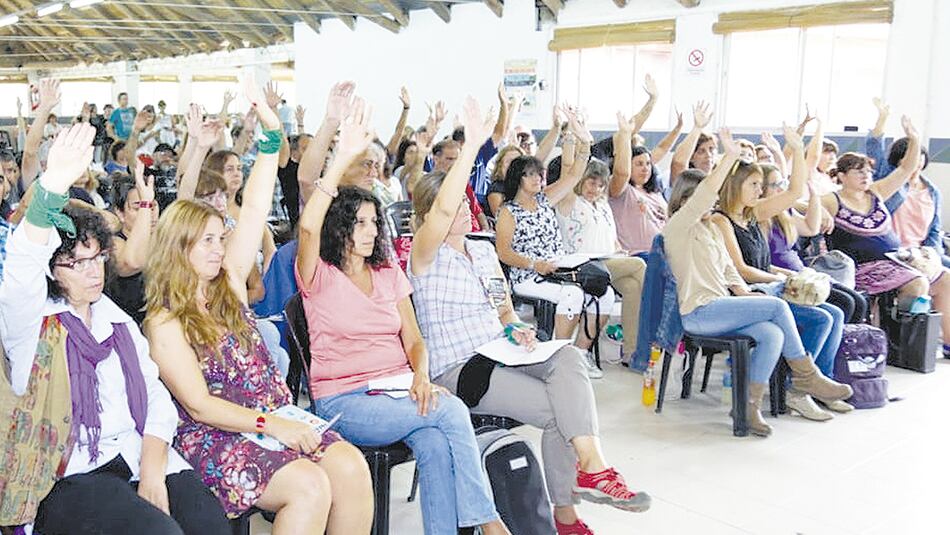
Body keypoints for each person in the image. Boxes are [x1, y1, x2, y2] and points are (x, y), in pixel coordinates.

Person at [408, 96, 651, 535]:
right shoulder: (423, 258)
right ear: (427, 217)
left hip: (502, 352)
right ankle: (566, 515)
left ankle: (592, 467)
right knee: (563, 410)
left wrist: (516, 327)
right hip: (461, 368)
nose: (465, 209)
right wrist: (474, 143)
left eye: (466, 204)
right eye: (455, 206)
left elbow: (502, 305)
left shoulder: (481, 250)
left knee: (569, 360)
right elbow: (443, 208)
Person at [144, 77, 374, 533]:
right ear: (178, 248)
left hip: (272, 417)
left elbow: (253, 209)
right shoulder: (165, 321)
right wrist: (272, 426)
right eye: (206, 241)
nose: (218, 247)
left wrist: (271, 138)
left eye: (219, 238)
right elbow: (201, 407)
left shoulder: (224, 282)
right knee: (309, 485)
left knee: (350, 466)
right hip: (216, 434)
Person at [297, 91, 511, 535]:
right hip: (346, 400)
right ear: (339, 226)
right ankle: (490, 524)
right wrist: (343, 157)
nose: (371, 231)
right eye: (360, 222)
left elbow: (414, 339)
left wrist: (420, 374)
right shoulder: (318, 274)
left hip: (396, 390)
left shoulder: (387, 270)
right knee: (450, 413)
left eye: (376, 222)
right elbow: (306, 224)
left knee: (434, 442)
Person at [0, 123, 230, 534]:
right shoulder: (31, 322)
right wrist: (51, 184)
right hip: (70, 474)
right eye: (78, 263)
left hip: (136, 453)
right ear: (52, 272)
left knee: (208, 523)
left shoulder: (115, 319)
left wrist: (154, 468)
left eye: (98, 258)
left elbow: (157, 396)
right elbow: (21, 263)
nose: (94, 272)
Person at [663, 127, 852, 437]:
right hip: (699, 311)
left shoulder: (710, 230)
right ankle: (805, 374)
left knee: (772, 333)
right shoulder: (678, 227)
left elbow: (731, 274)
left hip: (721, 306)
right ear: (686, 200)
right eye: (702, 201)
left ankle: (747, 408)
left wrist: (747, 293)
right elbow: (708, 192)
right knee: (777, 308)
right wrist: (730, 157)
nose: (709, 205)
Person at [710, 124, 848, 420]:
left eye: (762, 186)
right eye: (754, 186)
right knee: (821, 319)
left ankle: (813, 387)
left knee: (835, 313)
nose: (760, 192)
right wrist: (782, 277)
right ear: (736, 186)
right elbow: (741, 271)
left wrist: (798, 150)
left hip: (769, 288)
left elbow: (794, 190)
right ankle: (795, 390)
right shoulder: (721, 221)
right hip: (746, 296)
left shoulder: (752, 214)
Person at [495, 110, 616, 378]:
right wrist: (534, 264)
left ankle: (580, 354)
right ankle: (558, 357)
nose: (539, 179)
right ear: (518, 179)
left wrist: (582, 141)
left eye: (540, 175)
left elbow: (573, 176)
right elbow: (503, 252)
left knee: (605, 293)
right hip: (528, 275)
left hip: (560, 269)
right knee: (573, 294)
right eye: (531, 175)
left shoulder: (544, 200)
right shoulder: (508, 212)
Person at [821, 116, 950, 355]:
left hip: (894, 259)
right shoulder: (831, 199)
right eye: (858, 171)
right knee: (917, 283)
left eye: (868, 171)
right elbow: (799, 205)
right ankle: (892, 337)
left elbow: (906, 168)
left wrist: (915, 138)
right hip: (860, 266)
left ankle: (944, 342)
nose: (865, 175)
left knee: (945, 278)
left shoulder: (877, 192)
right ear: (841, 175)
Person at [760, 163, 868, 323]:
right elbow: (757, 263)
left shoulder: (782, 213)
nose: (781, 190)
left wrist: (814, 197)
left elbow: (811, 228)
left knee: (859, 302)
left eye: (782, 184)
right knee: (845, 303)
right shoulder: (759, 217)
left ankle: (849, 346)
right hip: (788, 282)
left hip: (804, 275)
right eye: (775, 185)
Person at [865, 97, 947, 267]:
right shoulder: (890, 181)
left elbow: (934, 230)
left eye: (918, 156)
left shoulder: (932, 191)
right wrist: (882, 118)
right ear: (898, 161)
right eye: (909, 157)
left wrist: (931, 255)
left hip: (922, 252)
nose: (915, 161)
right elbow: (874, 146)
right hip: (894, 252)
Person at [608, 112, 668, 256]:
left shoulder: (655, 192)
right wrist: (625, 135)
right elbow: (622, 173)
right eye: (639, 164)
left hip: (666, 251)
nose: (645, 168)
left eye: (648, 164)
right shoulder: (622, 191)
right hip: (639, 255)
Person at [104, 166, 158, 325]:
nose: (150, 212)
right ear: (120, 213)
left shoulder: (162, 239)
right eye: (138, 207)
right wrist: (146, 204)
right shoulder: (113, 243)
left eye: (154, 205)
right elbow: (132, 262)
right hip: (125, 329)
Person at [485, 144, 524, 218]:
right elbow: (501, 219)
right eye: (508, 161)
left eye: (517, 161)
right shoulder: (496, 189)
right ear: (500, 166)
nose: (513, 165)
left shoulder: (527, 187)